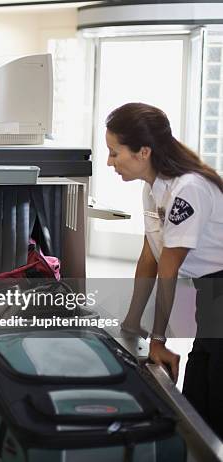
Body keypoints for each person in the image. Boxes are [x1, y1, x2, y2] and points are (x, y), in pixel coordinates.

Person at [107, 102, 223, 439]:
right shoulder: (152, 188)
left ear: (143, 151)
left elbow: (168, 271)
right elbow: (150, 259)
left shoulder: (187, 189)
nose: (110, 162)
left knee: (215, 398)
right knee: (197, 397)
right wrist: (131, 323)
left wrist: (158, 340)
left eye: (115, 153)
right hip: (210, 292)